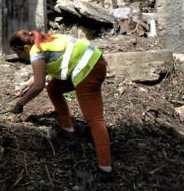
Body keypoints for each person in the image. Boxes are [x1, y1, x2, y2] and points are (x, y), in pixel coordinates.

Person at [9, 30, 114, 182]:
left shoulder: (36, 52)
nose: (19, 58)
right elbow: (41, 74)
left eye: (18, 53)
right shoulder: (43, 40)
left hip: (89, 69)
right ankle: (68, 130)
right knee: (53, 88)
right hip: (91, 61)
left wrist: (20, 103)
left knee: (95, 120)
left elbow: (38, 85)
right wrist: (26, 85)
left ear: (25, 48)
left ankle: (105, 170)